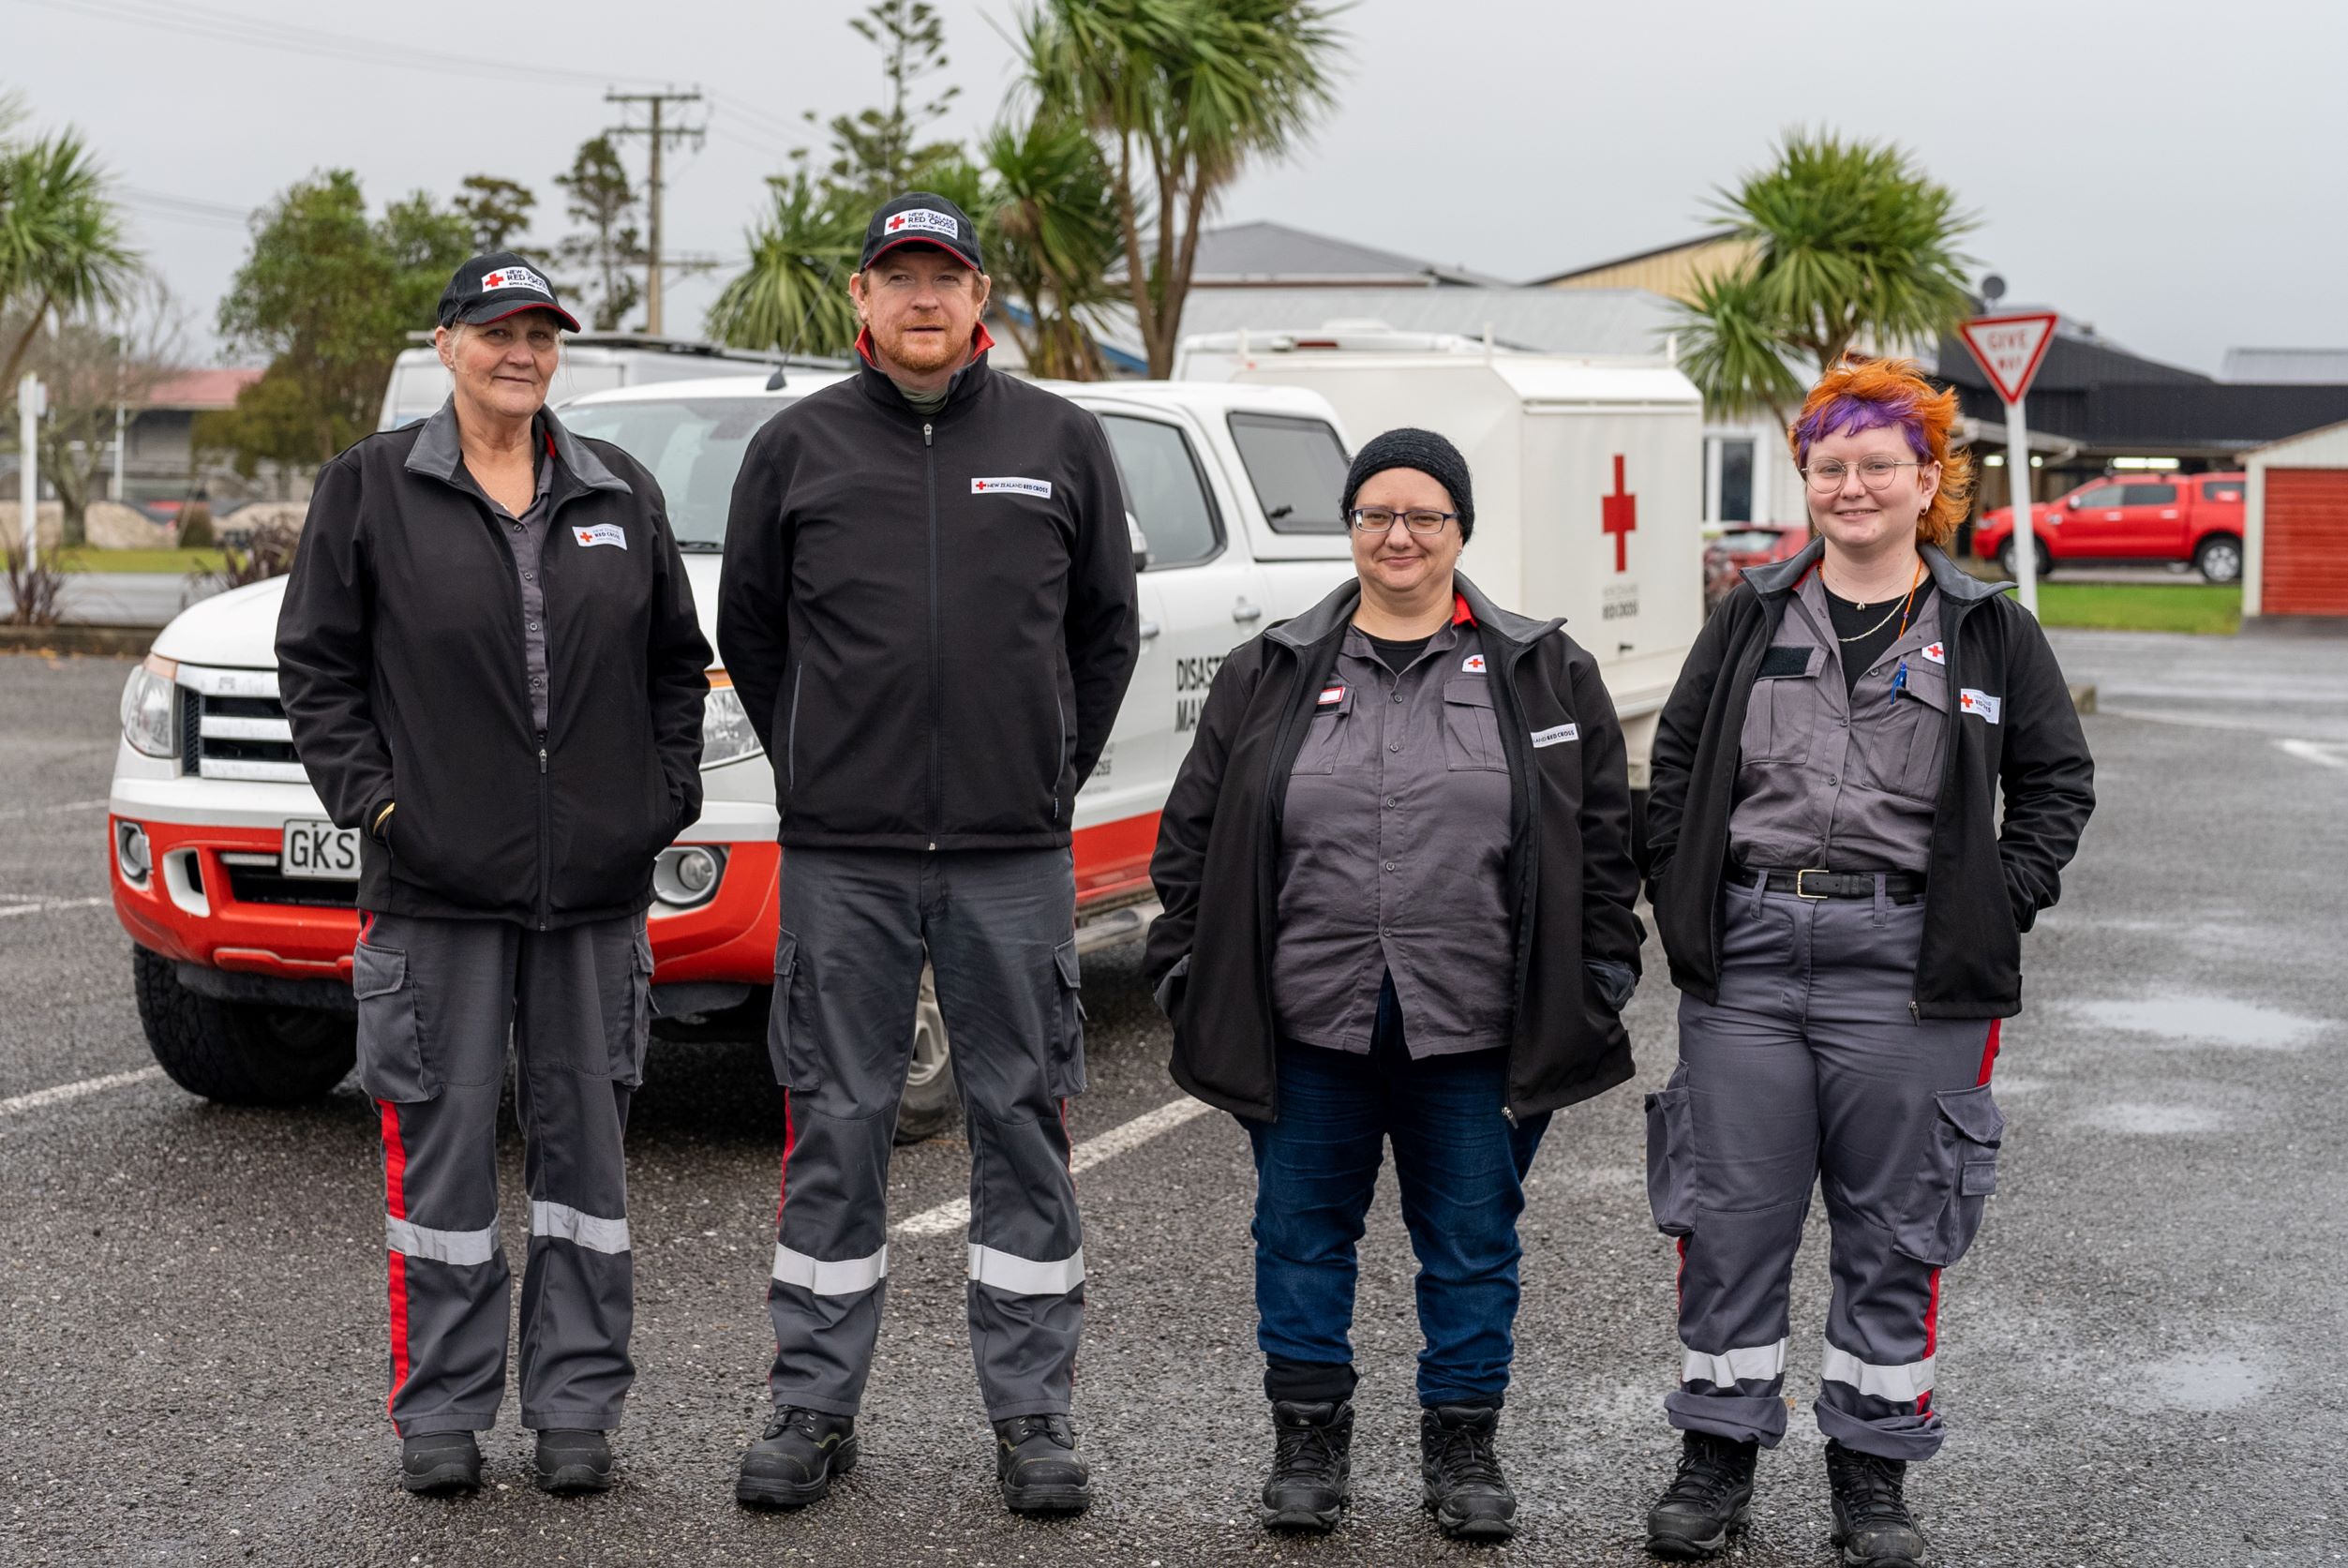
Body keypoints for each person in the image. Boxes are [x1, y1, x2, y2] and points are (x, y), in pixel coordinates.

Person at [1144, 428, 1646, 1543]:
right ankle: (1308, 1443)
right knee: (1299, 1235)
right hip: (1305, 1017)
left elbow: (1605, 842)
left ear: (1461, 530)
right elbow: (1192, 836)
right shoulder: (1271, 666)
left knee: (1471, 1241)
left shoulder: (1542, 669)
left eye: (1424, 514)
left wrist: (1601, 976)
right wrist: (1186, 969)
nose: (1399, 534)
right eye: (1376, 513)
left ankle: (1463, 1444)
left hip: (1477, 1021)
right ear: (1351, 527)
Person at [716, 191, 1139, 1516]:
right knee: (836, 1125)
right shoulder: (795, 450)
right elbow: (756, 632)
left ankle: (1033, 1416)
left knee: (1021, 1123)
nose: (920, 299)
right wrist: (825, 775)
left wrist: (1041, 776)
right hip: (847, 857)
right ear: (860, 300)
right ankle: (812, 1409)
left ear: (979, 303)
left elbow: (1103, 635)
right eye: (897, 277)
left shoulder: (1059, 441)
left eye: (943, 277)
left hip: (1009, 861)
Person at [1638, 359, 2095, 1564]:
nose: (1852, 485)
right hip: (1747, 959)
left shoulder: (1990, 628)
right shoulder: (1749, 612)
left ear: (1928, 478)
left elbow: (2056, 785)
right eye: (1830, 464)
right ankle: (1716, 1455)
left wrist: (2001, 902)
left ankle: (1874, 1474)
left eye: (1877, 463)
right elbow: (1676, 766)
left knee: (1897, 1227)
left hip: (1908, 966)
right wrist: (1681, 897)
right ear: (1807, 476)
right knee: (1730, 1218)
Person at [276, 253, 712, 1496]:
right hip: (434, 890)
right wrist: (381, 805)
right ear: (446, 341)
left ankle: (577, 1402)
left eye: (540, 333)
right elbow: (317, 671)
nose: (520, 352)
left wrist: (658, 800)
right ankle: (444, 1412)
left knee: (587, 1160)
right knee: (443, 1158)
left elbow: (678, 668)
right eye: (496, 330)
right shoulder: (369, 490)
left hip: (591, 896)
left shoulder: (617, 489)